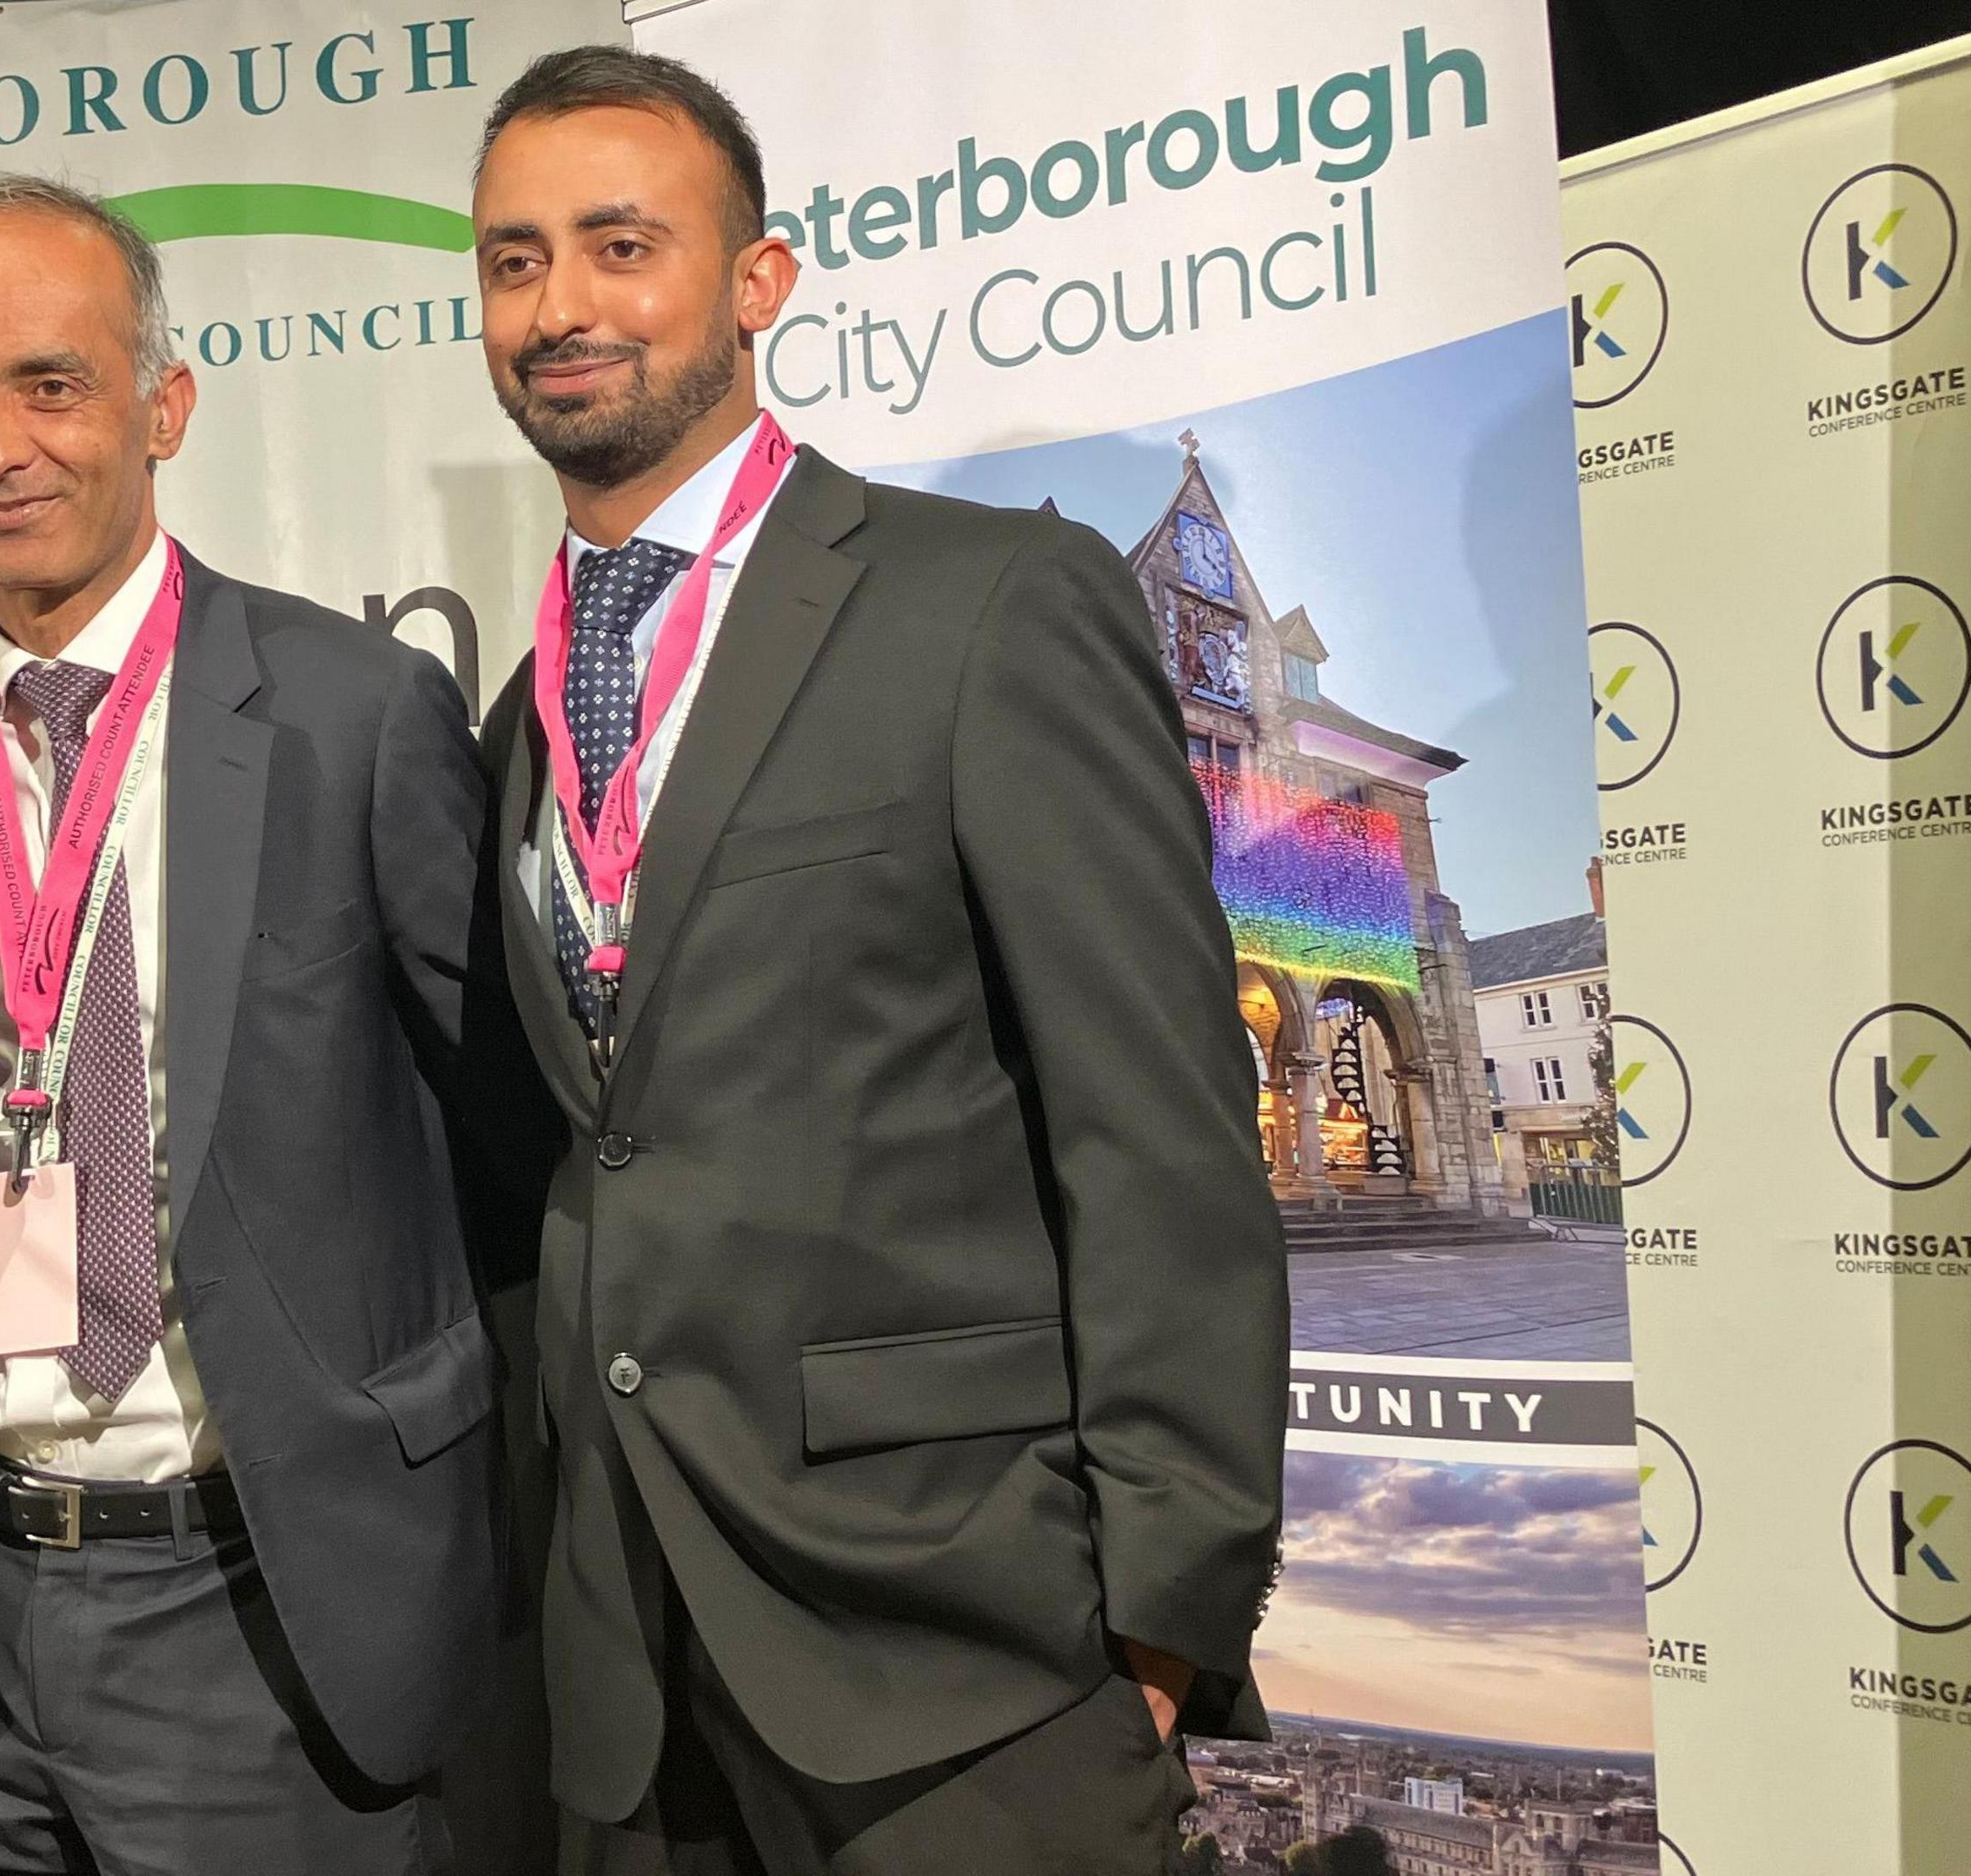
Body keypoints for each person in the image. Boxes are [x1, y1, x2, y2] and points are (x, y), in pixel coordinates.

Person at [467, 47, 1290, 1876]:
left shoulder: (984, 602)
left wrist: (1165, 1601)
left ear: (756, 283)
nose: (561, 306)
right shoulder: (530, 706)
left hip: (969, 1655)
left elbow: (1155, 1121)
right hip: (632, 1667)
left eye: (621, 245)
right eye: (515, 260)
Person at [0, 173, 537, 1876]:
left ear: (165, 404)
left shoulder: (353, 713)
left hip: (260, 1600)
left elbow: (507, 1152)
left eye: (47, 384)